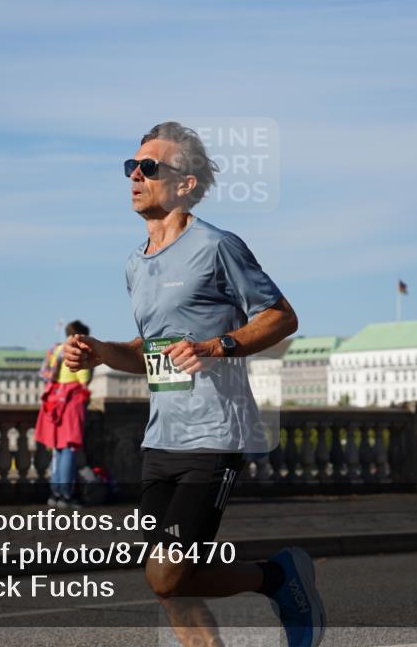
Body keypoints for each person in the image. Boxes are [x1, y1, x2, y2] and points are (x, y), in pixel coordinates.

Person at [63, 122, 325, 647]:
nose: (135, 176)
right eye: (131, 167)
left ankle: (277, 577)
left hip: (213, 434)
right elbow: (149, 352)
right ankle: (270, 583)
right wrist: (98, 353)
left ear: (185, 183)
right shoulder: (136, 263)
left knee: (168, 574)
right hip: (161, 436)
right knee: (167, 584)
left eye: (149, 168)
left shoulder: (217, 246)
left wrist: (217, 345)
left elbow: (281, 317)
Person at [35, 320, 92, 509]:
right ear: (82, 335)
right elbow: (84, 379)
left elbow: (48, 375)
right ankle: (66, 495)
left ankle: (55, 493)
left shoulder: (57, 349)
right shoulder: (79, 349)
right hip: (71, 402)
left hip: (54, 401)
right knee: (69, 449)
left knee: (58, 450)